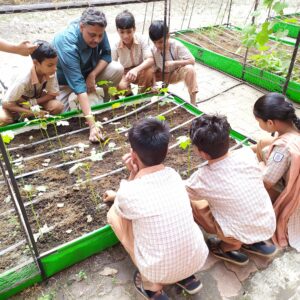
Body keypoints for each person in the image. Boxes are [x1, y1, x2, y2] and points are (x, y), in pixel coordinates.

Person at [103, 119, 208, 300]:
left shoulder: (130, 191)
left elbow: (123, 204)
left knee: (114, 215)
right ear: (167, 150)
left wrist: (132, 174)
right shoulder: (174, 175)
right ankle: (185, 277)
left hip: (160, 271)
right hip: (197, 258)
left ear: (133, 155)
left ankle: (151, 288)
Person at [185, 114, 277, 265]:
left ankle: (227, 246)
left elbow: (182, 192)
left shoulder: (201, 178)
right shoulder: (246, 154)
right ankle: (253, 241)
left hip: (237, 232)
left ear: (202, 153)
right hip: (267, 222)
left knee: (196, 204)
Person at [53, 8, 124, 142]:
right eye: (92, 35)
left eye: (100, 36)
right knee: (63, 116)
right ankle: (89, 111)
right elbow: (78, 85)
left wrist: (93, 74)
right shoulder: (66, 42)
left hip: (88, 74)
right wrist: (93, 126)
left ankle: (98, 107)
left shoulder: (97, 29)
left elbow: (107, 54)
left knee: (117, 69)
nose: (97, 39)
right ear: (81, 27)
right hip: (65, 84)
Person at [252, 92, 300, 251]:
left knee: (251, 182)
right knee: (263, 144)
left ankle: (256, 227)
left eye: (258, 121)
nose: (259, 124)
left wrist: (258, 164)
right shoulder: (295, 131)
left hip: (294, 197)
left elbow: (266, 183)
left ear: (270, 123)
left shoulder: (283, 148)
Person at [0, 40, 63, 126]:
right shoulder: (23, 79)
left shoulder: (50, 71)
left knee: (57, 106)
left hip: (32, 101)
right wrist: (33, 112)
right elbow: (7, 104)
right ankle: (23, 117)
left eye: (56, 64)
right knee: (3, 119)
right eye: (50, 65)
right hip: (14, 102)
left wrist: (32, 103)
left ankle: (32, 117)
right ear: (36, 63)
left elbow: (52, 94)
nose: (55, 68)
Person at [149, 20, 198, 105]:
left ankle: (193, 103)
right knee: (145, 71)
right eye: (154, 42)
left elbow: (192, 60)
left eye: (160, 42)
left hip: (174, 74)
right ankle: (144, 98)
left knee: (190, 69)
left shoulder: (176, 45)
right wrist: (154, 85)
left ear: (168, 36)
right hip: (161, 74)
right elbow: (152, 70)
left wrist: (174, 63)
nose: (158, 45)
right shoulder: (152, 49)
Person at [112, 10, 154, 95]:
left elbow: (150, 59)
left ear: (134, 29)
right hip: (124, 73)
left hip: (140, 70)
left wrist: (136, 70)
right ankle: (129, 97)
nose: (126, 36)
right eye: (122, 32)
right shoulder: (115, 45)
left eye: (129, 31)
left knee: (149, 70)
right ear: (117, 30)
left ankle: (142, 95)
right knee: (120, 86)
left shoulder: (142, 39)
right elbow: (112, 66)